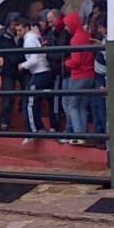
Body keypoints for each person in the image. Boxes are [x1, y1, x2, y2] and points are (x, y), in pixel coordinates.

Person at [16, 17, 53, 145]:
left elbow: (35, 58)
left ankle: (32, 131)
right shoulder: (32, 37)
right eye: (17, 31)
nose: (18, 33)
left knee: (30, 103)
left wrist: (23, 65)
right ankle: (39, 127)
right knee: (33, 101)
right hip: (41, 71)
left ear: (26, 27)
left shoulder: (29, 40)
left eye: (20, 30)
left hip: (39, 72)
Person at [63, 12, 95, 145]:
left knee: (72, 105)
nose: (66, 27)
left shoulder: (75, 39)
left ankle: (77, 134)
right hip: (90, 74)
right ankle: (83, 134)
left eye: (66, 24)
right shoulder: (86, 36)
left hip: (78, 75)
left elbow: (75, 61)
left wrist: (66, 63)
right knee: (81, 106)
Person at [0, 12, 23, 131]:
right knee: (8, 96)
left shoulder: (23, 36)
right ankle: (4, 121)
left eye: (16, 24)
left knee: (28, 90)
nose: (14, 26)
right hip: (8, 69)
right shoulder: (1, 37)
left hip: (21, 67)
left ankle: (22, 109)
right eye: (11, 24)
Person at [46, 9, 73, 137]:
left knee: (61, 100)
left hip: (62, 70)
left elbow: (60, 53)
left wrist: (47, 54)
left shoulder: (64, 32)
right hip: (60, 69)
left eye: (51, 21)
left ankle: (56, 124)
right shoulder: (56, 32)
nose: (49, 24)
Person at [90, 14, 107, 144]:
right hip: (98, 77)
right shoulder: (104, 40)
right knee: (95, 107)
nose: (99, 30)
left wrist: (105, 83)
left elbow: (110, 64)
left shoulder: (107, 42)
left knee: (101, 110)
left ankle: (103, 138)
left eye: (101, 27)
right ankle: (99, 136)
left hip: (102, 79)